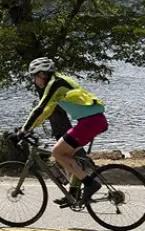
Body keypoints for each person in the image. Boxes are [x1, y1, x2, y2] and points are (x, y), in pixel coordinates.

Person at [19, 57, 107, 206]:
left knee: (57, 152)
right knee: (69, 157)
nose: (34, 81)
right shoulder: (58, 82)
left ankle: (90, 184)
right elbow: (47, 111)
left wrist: (24, 130)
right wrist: (30, 128)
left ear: (42, 74)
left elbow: (40, 108)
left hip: (90, 122)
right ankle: (73, 194)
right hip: (92, 121)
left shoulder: (56, 84)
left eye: (34, 76)